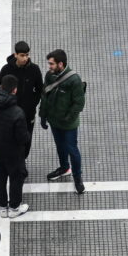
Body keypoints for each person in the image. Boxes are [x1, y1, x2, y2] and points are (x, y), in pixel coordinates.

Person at [39, 49, 86, 194]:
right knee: (60, 146)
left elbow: (79, 103)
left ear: (61, 64)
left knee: (72, 150)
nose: (49, 67)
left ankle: (77, 178)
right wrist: (43, 115)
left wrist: (68, 118)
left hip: (69, 124)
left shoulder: (74, 80)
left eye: (51, 64)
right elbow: (45, 96)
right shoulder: (49, 76)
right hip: (54, 121)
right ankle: (64, 168)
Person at [0, 73, 29, 218]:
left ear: (1, 87)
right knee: (16, 180)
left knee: (0, 178)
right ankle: (15, 208)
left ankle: (2, 207)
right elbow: (23, 137)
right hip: (14, 154)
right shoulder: (17, 112)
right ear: (15, 90)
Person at [0, 41, 43, 159]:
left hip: (28, 114)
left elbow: (40, 89)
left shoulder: (34, 69)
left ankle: (22, 161)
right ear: (15, 55)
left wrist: (33, 103)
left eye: (27, 55)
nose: (25, 58)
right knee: (10, 138)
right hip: (9, 113)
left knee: (26, 139)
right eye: (22, 55)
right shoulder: (6, 69)